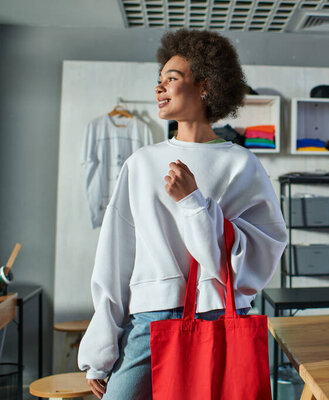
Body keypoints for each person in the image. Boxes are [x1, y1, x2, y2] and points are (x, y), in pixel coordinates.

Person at [78, 29, 287, 399]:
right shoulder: (141, 164)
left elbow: (252, 262)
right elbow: (115, 257)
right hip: (148, 322)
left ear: (205, 86)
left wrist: (192, 202)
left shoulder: (242, 165)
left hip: (219, 320)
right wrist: (101, 349)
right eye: (158, 82)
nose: (160, 89)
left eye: (172, 79)